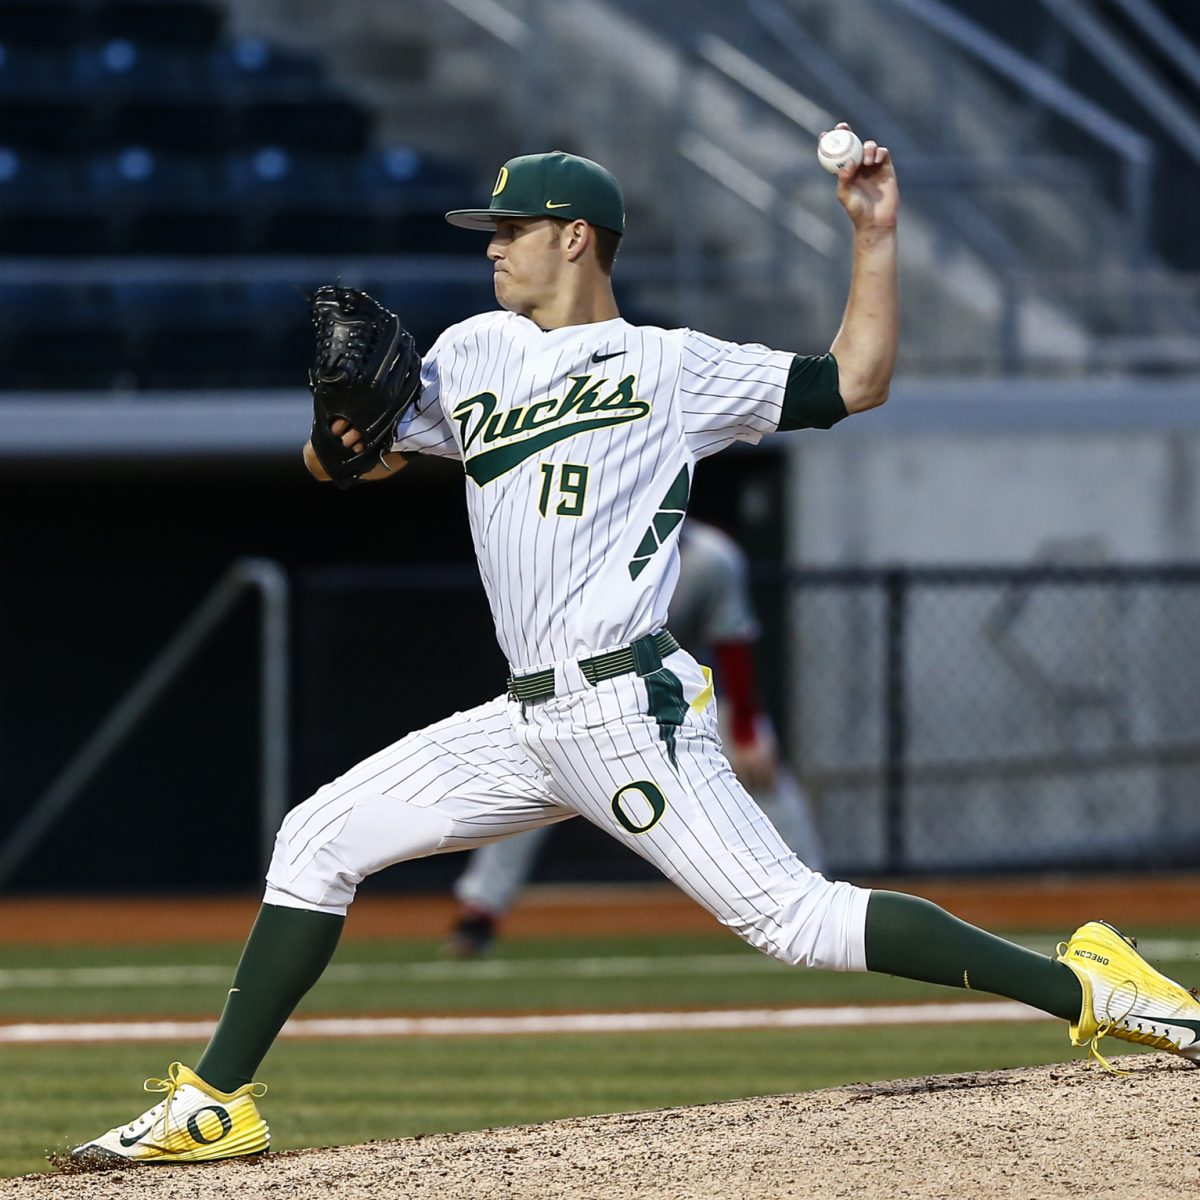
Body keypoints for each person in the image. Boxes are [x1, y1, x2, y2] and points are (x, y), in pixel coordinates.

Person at [72, 134, 1200, 1165]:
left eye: (510, 230)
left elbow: (855, 381)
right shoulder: (474, 355)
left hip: (624, 707)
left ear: (575, 238)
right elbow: (346, 466)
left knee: (795, 920)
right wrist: (335, 420)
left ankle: (1091, 989)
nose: (493, 249)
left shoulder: (671, 366)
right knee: (315, 838)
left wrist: (875, 235)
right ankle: (216, 1103)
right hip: (525, 719)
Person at [447, 517, 826, 957]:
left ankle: (815, 904)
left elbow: (733, 644)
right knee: (535, 777)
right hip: (591, 693)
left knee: (763, 771)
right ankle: (481, 911)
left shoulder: (710, 558)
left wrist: (745, 728)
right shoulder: (590, 551)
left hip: (682, 689)